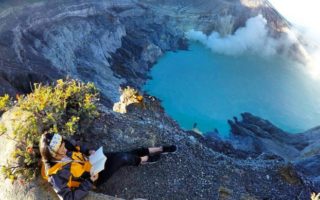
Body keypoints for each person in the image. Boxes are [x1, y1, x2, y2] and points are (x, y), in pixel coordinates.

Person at [39, 133, 176, 200]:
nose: (64, 150)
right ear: (51, 155)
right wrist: (89, 182)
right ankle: (144, 159)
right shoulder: (54, 175)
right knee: (122, 158)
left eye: (63, 146)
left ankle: (155, 150)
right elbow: (68, 198)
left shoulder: (63, 147)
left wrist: (88, 151)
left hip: (91, 162)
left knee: (123, 154)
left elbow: (77, 146)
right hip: (93, 178)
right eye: (60, 150)